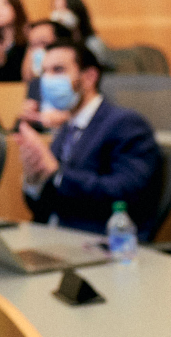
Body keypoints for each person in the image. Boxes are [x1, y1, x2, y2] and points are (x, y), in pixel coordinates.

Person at [17, 40, 161, 234]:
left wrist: (56, 173)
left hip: (99, 242)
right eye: (45, 72)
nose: (48, 80)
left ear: (89, 77)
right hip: (54, 238)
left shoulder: (125, 123)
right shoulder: (69, 126)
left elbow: (124, 194)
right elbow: (44, 207)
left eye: (58, 70)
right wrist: (35, 178)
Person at [19, 19, 74, 129]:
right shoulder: (36, 84)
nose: (37, 51)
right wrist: (28, 120)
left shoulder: (78, 79)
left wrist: (70, 117)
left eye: (43, 43)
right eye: (32, 45)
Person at [50, 0, 110, 69]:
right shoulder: (52, 45)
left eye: (65, 8)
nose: (59, 15)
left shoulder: (94, 43)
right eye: (56, 9)